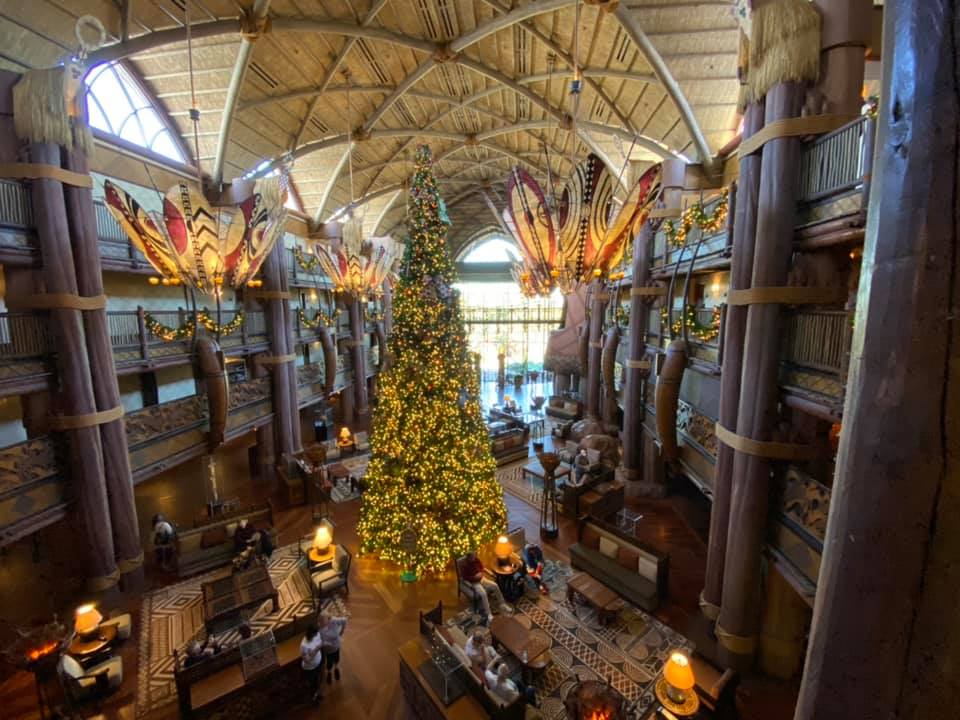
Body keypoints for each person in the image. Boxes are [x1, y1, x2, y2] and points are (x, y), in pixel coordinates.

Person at [460, 551, 507, 624]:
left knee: (495, 585)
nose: (474, 558)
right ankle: (489, 614)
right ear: (468, 557)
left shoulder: (476, 560)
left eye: (474, 556)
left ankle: (502, 604)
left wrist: (480, 573)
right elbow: (464, 578)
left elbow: (482, 567)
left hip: (482, 579)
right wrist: (474, 577)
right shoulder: (464, 565)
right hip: (474, 583)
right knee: (483, 594)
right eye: (472, 557)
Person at [317, 612, 348, 684]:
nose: (321, 622)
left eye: (323, 620)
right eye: (320, 620)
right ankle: (329, 673)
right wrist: (324, 643)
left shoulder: (333, 621)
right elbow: (319, 640)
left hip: (336, 646)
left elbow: (344, 620)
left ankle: (336, 668)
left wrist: (342, 631)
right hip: (328, 650)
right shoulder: (319, 628)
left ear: (328, 619)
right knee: (329, 662)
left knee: (337, 659)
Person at [300, 623, 324, 702]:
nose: (317, 634)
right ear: (311, 633)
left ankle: (317, 693)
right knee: (313, 683)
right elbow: (306, 660)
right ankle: (313, 697)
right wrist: (316, 649)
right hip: (311, 668)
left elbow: (320, 642)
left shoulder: (317, 634)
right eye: (316, 633)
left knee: (318, 679)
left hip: (318, 662)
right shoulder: (304, 645)